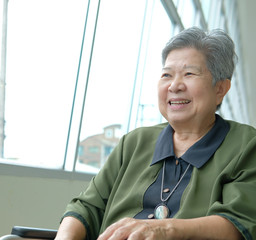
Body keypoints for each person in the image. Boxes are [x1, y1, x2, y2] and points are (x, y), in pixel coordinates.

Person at [55, 27, 256, 240]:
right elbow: (86, 207)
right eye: (166, 75)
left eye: (189, 74)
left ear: (220, 89)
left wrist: (162, 229)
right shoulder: (134, 142)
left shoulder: (246, 146)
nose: (174, 85)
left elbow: (238, 224)